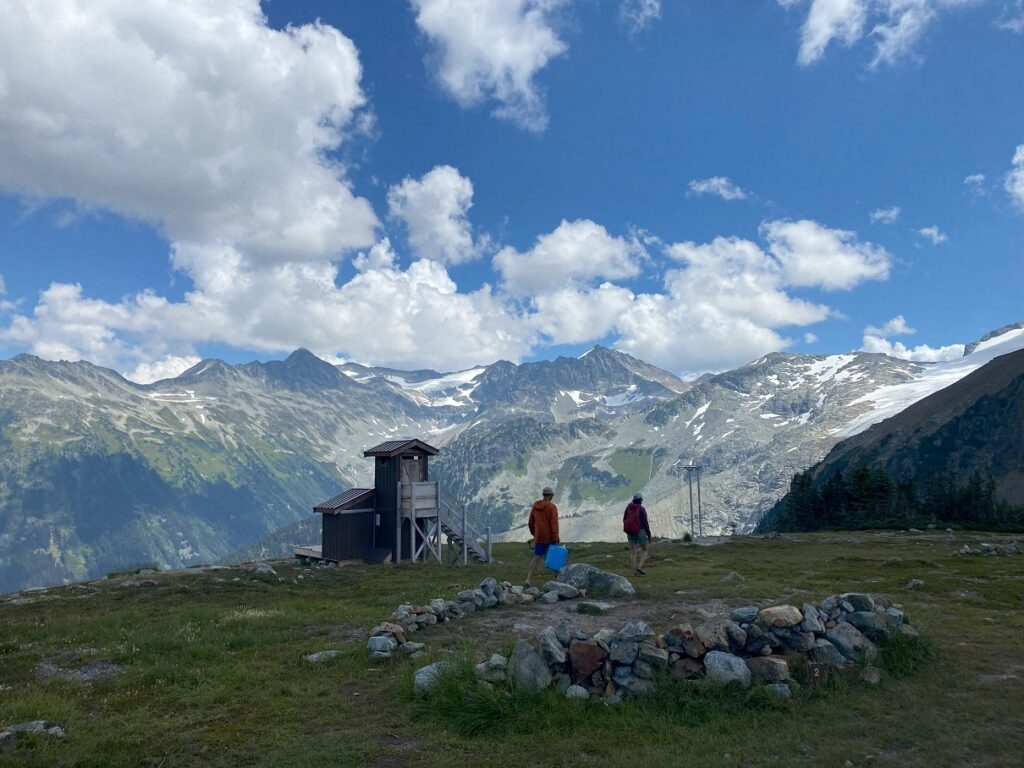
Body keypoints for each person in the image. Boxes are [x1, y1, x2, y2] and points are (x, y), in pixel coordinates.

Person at [525, 486, 559, 586]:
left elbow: (530, 522)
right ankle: (556, 580)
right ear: (551, 495)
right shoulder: (552, 507)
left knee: (537, 557)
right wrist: (556, 537)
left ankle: (528, 579)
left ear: (543, 495)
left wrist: (535, 534)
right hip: (550, 537)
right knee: (554, 557)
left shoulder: (535, 506)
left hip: (539, 537)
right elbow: (554, 524)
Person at [623, 492, 652, 576]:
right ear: (640, 500)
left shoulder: (628, 508)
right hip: (641, 531)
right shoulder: (641, 509)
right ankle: (639, 567)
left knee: (633, 551)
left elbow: (624, 519)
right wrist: (649, 534)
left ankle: (634, 571)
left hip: (630, 531)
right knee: (645, 549)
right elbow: (645, 523)